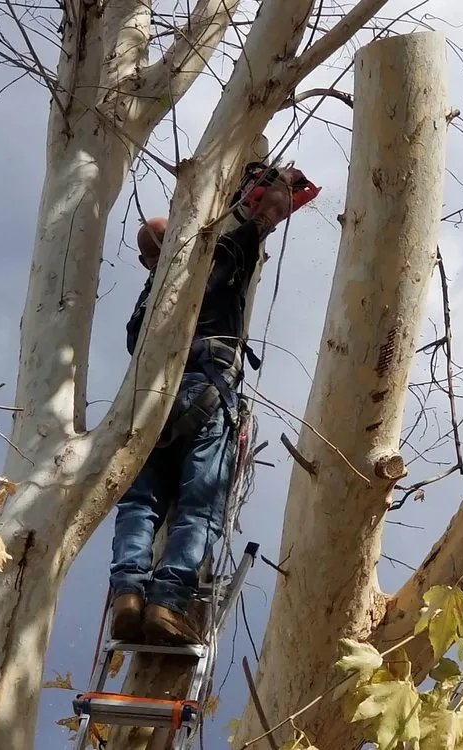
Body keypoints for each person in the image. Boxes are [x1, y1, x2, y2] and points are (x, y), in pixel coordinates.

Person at [109, 165, 319, 645]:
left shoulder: (147, 299)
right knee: (200, 507)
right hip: (206, 393)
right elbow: (264, 215)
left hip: (146, 405)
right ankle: (167, 601)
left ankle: (128, 593)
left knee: (141, 501)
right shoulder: (219, 253)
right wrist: (272, 190)